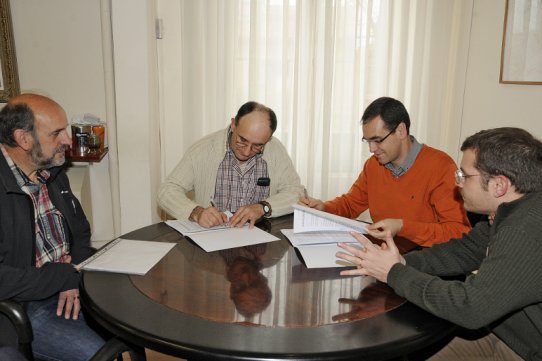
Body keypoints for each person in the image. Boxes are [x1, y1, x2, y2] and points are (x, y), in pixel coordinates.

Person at [336, 127, 542, 360]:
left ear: (499, 185)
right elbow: (464, 250)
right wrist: (402, 261)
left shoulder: (522, 230)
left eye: (464, 175)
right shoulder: (507, 213)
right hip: (503, 333)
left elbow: (470, 307)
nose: (458, 183)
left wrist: (394, 272)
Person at [0, 94, 105, 360]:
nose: (68, 140)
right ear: (23, 139)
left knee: (134, 319)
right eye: (57, 133)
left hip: (70, 280)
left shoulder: (52, 173)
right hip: (23, 304)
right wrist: (63, 276)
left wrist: (73, 272)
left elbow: (81, 233)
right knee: (96, 354)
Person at [300, 97, 470, 246]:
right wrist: (324, 207)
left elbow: (457, 231)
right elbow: (351, 204)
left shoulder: (440, 166)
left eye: (378, 140)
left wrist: (403, 227)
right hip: (383, 256)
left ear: (401, 131)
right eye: (367, 141)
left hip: (425, 262)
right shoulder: (373, 166)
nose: (372, 149)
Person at [158, 101, 303, 228]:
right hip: (213, 242)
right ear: (233, 124)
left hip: (259, 240)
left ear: (268, 139)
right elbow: (167, 191)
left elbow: (296, 193)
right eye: (242, 140)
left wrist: (263, 207)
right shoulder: (203, 149)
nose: (246, 152)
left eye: (257, 146)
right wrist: (196, 212)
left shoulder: (275, 150)